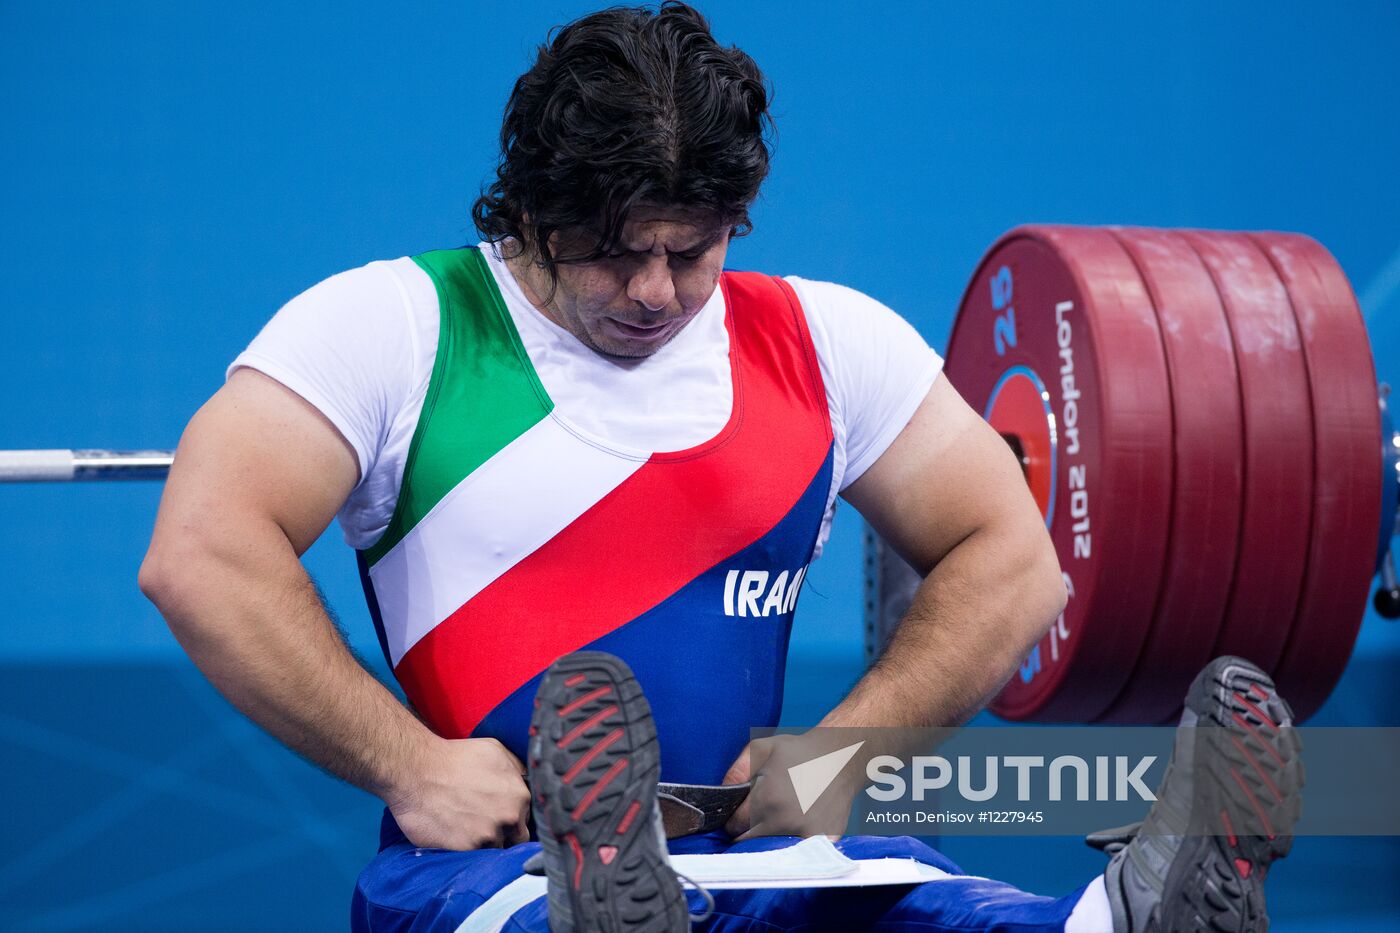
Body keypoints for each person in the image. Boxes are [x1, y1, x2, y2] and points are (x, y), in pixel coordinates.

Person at [138, 4, 1300, 931]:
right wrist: (406, 764)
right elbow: (203, 553)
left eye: (687, 251)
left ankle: (1131, 915)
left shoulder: (824, 339)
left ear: (736, 215)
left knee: (971, 912)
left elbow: (1013, 563)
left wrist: (850, 751)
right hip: (496, 868)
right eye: (609, 250)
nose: (652, 292)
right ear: (531, 214)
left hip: (774, 856)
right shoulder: (392, 326)